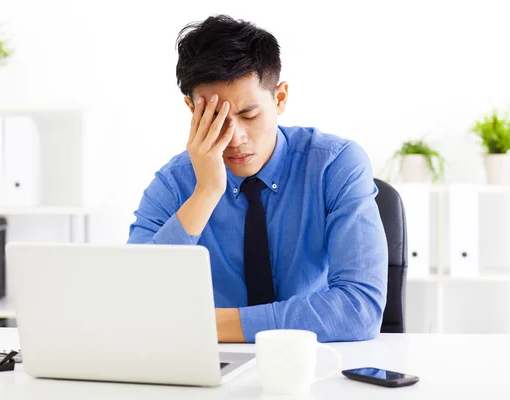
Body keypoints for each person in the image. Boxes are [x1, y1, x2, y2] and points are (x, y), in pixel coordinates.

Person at [127, 14, 388, 343]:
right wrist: (206, 192)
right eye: (214, 118)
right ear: (192, 110)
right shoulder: (173, 183)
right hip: (211, 371)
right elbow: (134, 301)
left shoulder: (335, 164)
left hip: (314, 361)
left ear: (280, 99)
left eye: (248, 115)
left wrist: (208, 325)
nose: (235, 138)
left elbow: (358, 308)